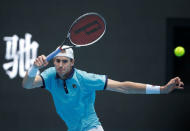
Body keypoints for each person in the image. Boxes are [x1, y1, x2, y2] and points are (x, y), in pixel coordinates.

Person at [22, 46, 184, 131]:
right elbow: (27, 84)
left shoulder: (84, 79)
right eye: (57, 61)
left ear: (72, 63)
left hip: (91, 128)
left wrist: (161, 89)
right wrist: (34, 68)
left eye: (65, 61)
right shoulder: (50, 75)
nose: (61, 65)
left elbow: (123, 87)